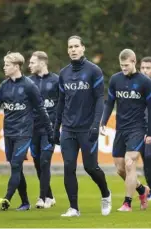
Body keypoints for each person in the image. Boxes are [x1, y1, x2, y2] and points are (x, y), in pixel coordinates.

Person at [0, 52, 53, 211]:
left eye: (7, 65)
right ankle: (25, 202)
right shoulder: (4, 86)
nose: (4, 67)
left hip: (24, 132)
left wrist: (50, 130)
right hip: (9, 133)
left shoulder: (29, 86)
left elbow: (41, 109)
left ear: (16, 66)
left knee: (17, 164)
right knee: (15, 167)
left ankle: (7, 197)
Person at [54, 35, 111, 217]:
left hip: (87, 129)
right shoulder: (63, 73)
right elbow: (61, 103)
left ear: (83, 48)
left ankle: (105, 194)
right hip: (68, 129)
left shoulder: (94, 71)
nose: (73, 50)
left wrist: (96, 125)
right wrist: (56, 128)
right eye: (70, 47)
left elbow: (100, 101)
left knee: (90, 167)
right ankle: (74, 208)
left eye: (76, 46)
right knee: (68, 166)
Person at [101, 49, 151, 212]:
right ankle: (141, 189)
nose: (123, 68)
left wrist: (150, 132)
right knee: (120, 168)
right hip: (121, 128)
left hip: (137, 128)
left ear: (134, 62)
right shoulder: (115, 79)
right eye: (121, 65)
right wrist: (103, 121)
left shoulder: (145, 82)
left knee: (130, 164)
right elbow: (110, 102)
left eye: (126, 65)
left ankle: (127, 203)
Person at [28, 51, 59, 209]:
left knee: (45, 161)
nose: (29, 65)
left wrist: (58, 126)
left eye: (32, 62)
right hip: (33, 129)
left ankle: (42, 198)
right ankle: (50, 196)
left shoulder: (56, 80)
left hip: (49, 129)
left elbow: (62, 104)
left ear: (42, 63)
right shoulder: (28, 82)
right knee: (38, 163)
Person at [140, 56, 151, 201]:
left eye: (148, 68)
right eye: (143, 68)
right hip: (139, 128)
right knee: (145, 159)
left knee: (150, 156)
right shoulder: (136, 84)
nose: (145, 71)